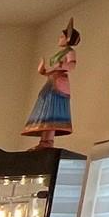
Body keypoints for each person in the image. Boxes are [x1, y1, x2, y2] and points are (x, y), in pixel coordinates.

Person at [23, 21, 79, 149]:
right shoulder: (61, 53)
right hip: (51, 81)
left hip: (59, 82)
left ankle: (48, 141)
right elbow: (52, 69)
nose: (59, 39)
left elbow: (71, 65)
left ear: (68, 38)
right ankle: (44, 141)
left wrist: (59, 66)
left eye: (62, 37)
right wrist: (44, 71)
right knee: (46, 108)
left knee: (52, 109)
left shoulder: (70, 52)